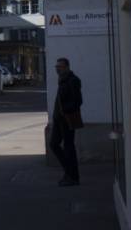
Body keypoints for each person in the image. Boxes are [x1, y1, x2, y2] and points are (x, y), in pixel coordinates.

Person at [50, 57, 83, 186]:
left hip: (67, 119)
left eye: (60, 67)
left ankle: (73, 177)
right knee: (53, 144)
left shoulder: (73, 80)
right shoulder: (62, 80)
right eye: (56, 67)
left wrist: (64, 111)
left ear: (67, 67)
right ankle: (69, 172)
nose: (58, 69)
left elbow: (78, 101)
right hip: (58, 120)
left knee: (69, 148)